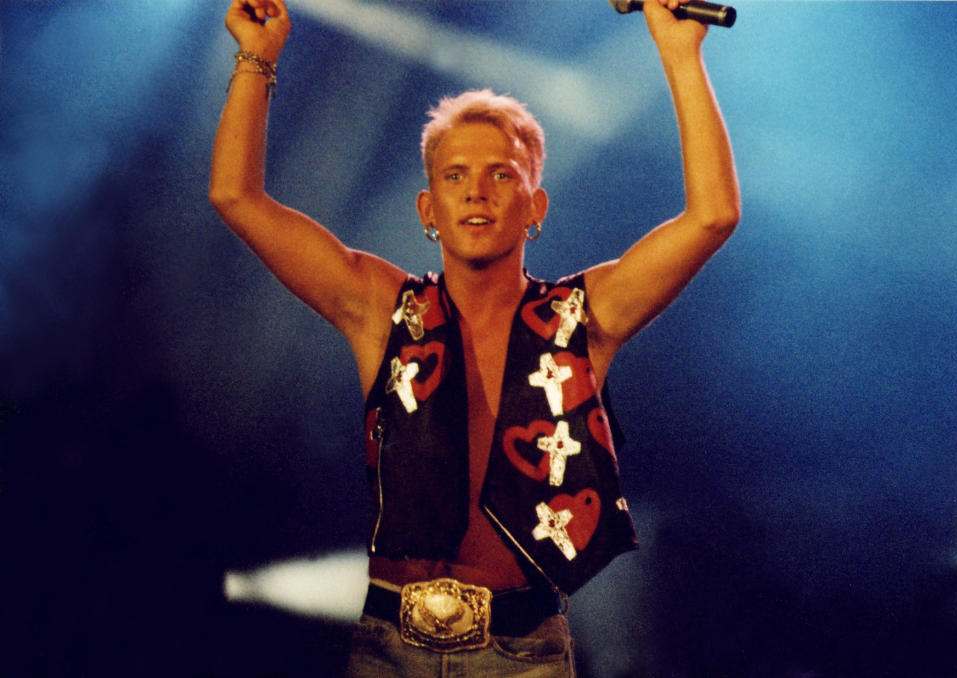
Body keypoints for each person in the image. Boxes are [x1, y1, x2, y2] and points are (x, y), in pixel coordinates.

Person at [210, 0, 739, 674]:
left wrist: (680, 54)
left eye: (501, 175)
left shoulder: (585, 315)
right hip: (388, 649)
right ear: (428, 208)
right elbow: (236, 197)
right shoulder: (382, 308)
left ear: (535, 206)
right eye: (454, 176)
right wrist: (258, 56)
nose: (476, 193)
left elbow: (713, 215)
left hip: (523, 655)